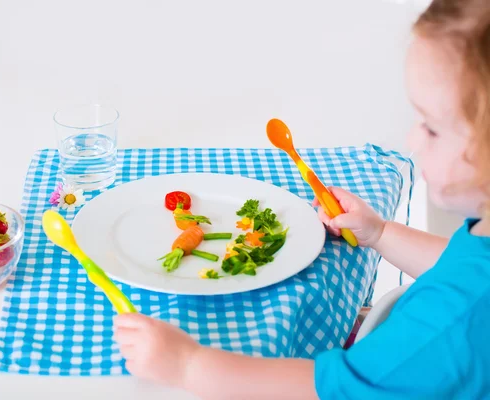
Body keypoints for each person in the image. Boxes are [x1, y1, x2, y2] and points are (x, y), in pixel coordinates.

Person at [113, 0, 490, 398]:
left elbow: (330, 389)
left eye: (431, 128)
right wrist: (379, 233)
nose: (412, 141)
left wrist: (186, 364)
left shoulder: (454, 320)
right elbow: (462, 264)